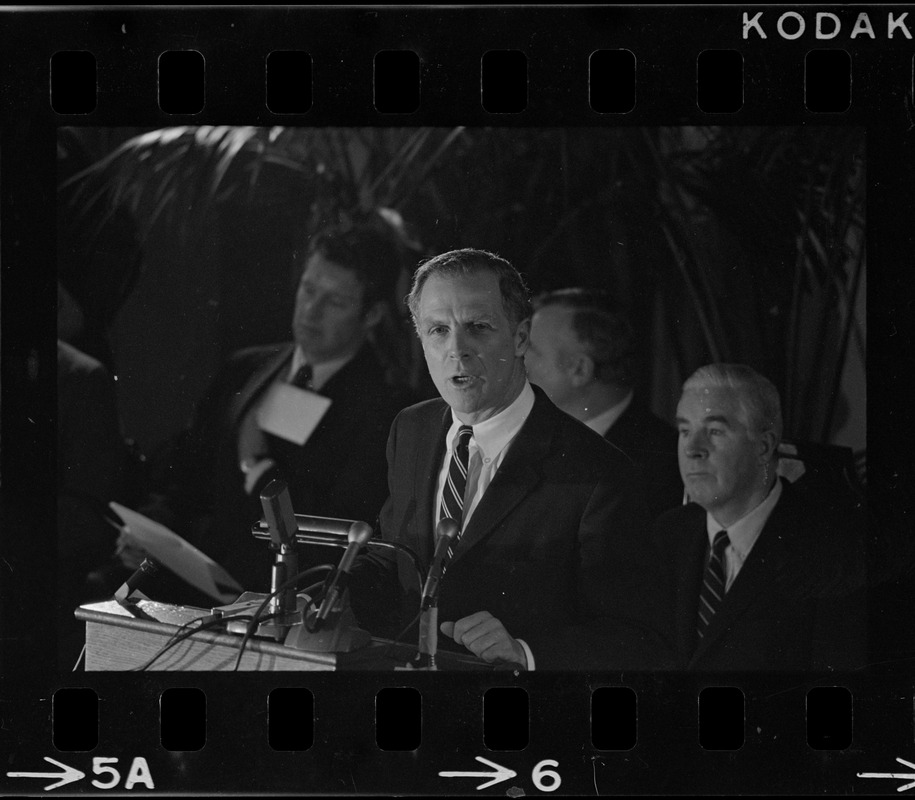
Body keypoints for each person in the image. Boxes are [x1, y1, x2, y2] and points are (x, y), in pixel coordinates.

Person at [350, 249, 660, 670]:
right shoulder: (412, 429)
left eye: (478, 327)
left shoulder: (599, 475)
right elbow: (396, 559)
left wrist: (526, 653)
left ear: (520, 338)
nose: (457, 350)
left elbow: (636, 639)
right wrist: (307, 602)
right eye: (438, 330)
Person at [136, 223, 413, 593]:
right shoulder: (245, 369)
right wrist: (150, 532)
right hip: (197, 590)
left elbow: (338, 533)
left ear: (373, 315)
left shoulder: (385, 409)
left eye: (335, 301)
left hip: (287, 603)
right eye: (308, 289)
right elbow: (186, 476)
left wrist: (259, 466)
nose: (311, 311)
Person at [652, 363, 866, 671]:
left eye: (714, 431)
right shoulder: (667, 533)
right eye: (685, 431)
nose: (692, 449)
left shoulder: (830, 547)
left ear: (764, 446)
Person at [525, 288, 683, 521]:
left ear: (579, 370)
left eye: (531, 351)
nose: (518, 360)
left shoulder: (661, 463)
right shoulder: (528, 439)